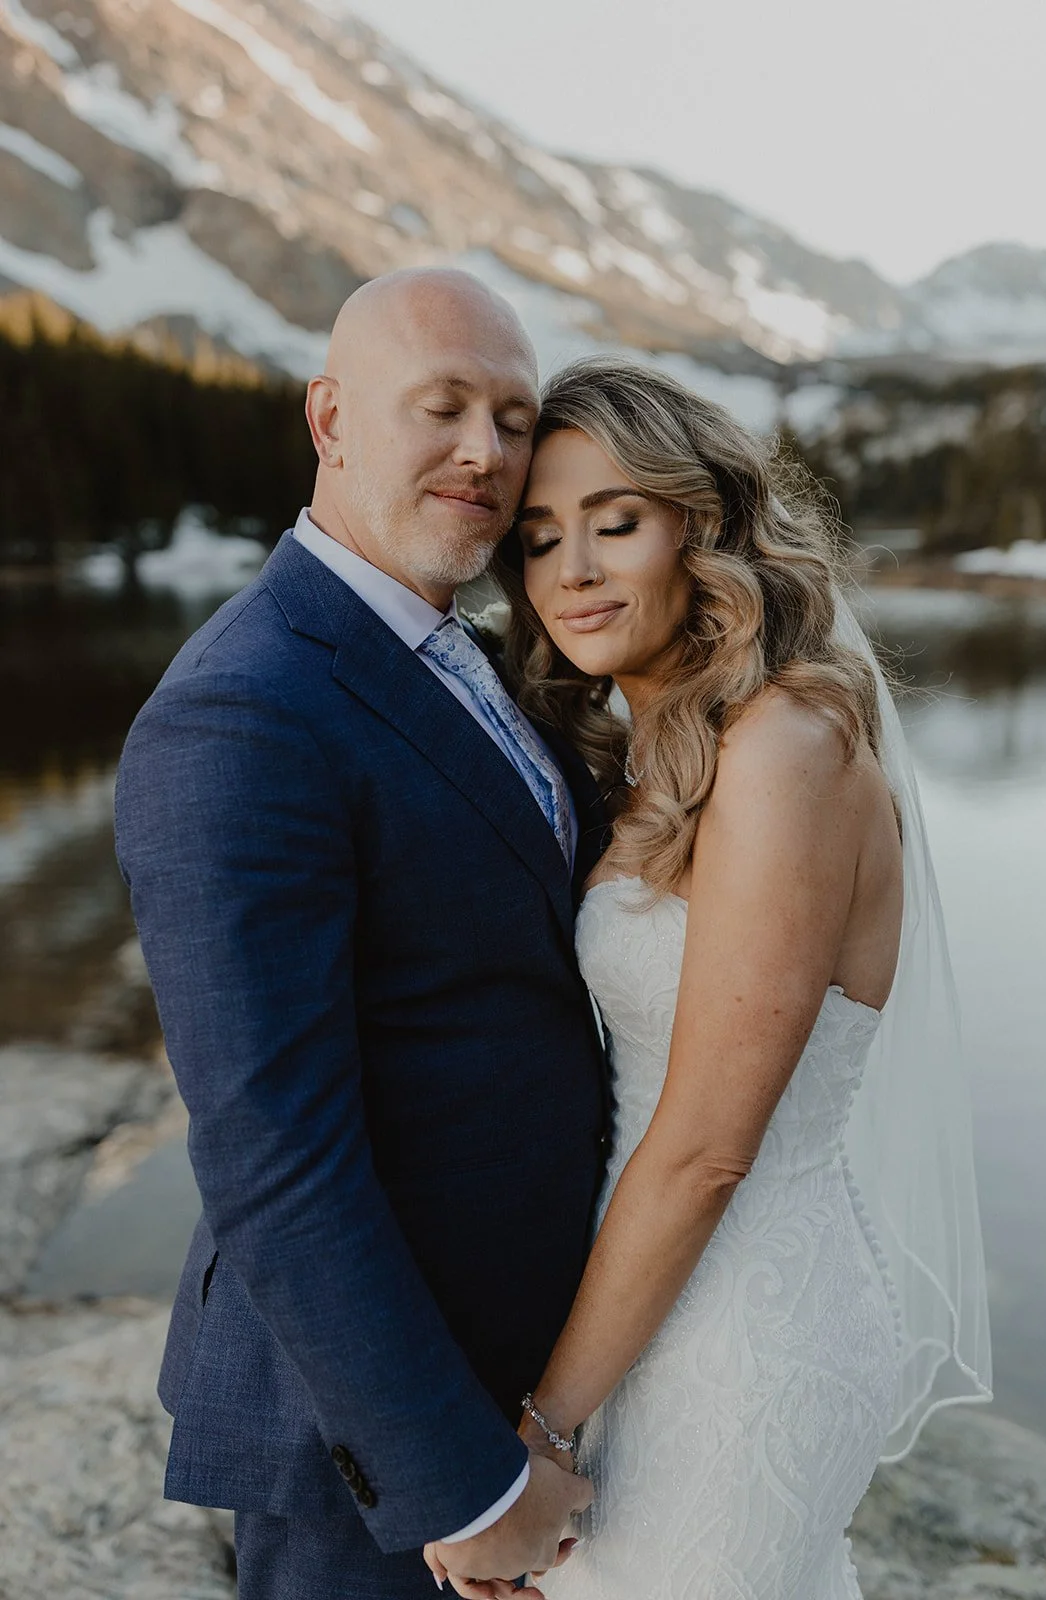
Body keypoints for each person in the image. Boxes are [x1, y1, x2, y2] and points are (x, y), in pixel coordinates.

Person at [456, 357, 992, 1600]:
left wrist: (538, 1436)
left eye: (615, 522)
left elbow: (705, 1145)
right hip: (641, 1311)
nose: (572, 570)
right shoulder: (659, 748)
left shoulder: (785, 745)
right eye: (538, 538)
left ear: (699, 526)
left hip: (745, 1331)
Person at [114, 270, 605, 1600]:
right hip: (372, 1445)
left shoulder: (473, 649)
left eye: (512, 418)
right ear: (329, 418)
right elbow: (273, 1158)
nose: (485, 452)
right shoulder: (242, 713)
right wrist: (463, 1480)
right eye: (439, 407)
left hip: (528, 1370)